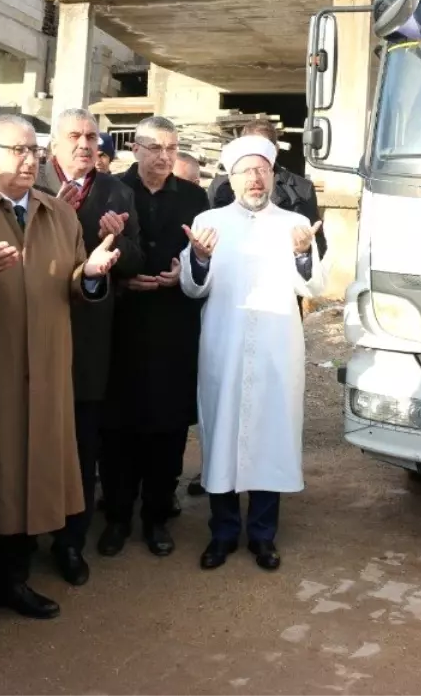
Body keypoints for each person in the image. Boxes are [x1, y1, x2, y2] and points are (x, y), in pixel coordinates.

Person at [0, 114, 120, 643]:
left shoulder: (58, 213)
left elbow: (75, 285)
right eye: (17, 150)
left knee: (31, 480)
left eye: (34, 150)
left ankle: (13, 581)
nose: (29, 159)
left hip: (47, 373)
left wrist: (93, 276)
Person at [181, 135, 326, 572]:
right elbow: (192, 286)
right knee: (222, 435)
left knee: (270, 437)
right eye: (246, 170)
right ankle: (223, 534)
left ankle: (264, 536)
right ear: (231, 177)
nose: (255, 178)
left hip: (275, 350)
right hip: (223, 346)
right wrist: (200, 258)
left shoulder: (293, 224)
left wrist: (303, 256)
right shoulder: (209, 220)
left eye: (262, 170)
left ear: (273, 175)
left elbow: (314, 287)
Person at [40, 108, 143, 586]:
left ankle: (70, 543)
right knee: (33, 438)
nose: (85, 144)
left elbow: (136, 260)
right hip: (34, 334)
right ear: (54, 145)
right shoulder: (32, 185)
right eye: (75, 136)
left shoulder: (116, 191)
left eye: (92, 137)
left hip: (89, 340)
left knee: (82, 444)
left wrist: (116, 238)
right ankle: (21, 537)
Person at [98, 116, 208, 559]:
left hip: (174, 326)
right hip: (121, 326)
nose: (164, 156)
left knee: (167, 431)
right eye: (154, 147)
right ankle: (117, 518)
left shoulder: (196, 197)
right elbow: (87, 251)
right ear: (136, 149)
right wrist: (121, 281)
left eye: (171, 147)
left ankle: (157, 518)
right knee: (118, 431)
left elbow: (208, 254)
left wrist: (188, 271)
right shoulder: (111, 191)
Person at [208, 119, 327, 259]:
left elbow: (317, 244)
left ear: (275, 149)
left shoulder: (301, 189)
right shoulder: (221, 186)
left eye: (262, 148)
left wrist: (303, 250)